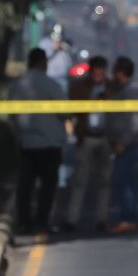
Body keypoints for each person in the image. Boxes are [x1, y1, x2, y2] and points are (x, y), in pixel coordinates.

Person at [10, 47, 67, 235]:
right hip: (49, 143)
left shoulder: (17, 85)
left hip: (26, 142)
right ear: (44, 63)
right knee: (47, 185)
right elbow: (65, 111)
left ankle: (24, 221)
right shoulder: (51, 85)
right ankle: (41, 222)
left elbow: (11, 113)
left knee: (25, 185)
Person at [57, 55, 112, 233]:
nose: (99, 75)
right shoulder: (80, 86)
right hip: (86, 137)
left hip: (105, 137)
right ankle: (72, 219)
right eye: (96, 72)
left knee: (104, 181)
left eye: (101, 72)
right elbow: (74, 106)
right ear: (90, 71)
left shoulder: (110, 88)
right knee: (80, 181)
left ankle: (102, 219)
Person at [106, 56, 138, 234]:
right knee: (124, 181)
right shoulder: (122, 89)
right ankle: (127, 217)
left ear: (121, 72)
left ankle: (128, 218)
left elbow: (134, 121)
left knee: (126, 182)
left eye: (116, 71)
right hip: (122, 142)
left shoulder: (132, 91)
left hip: (128, 144)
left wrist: (123, 142)